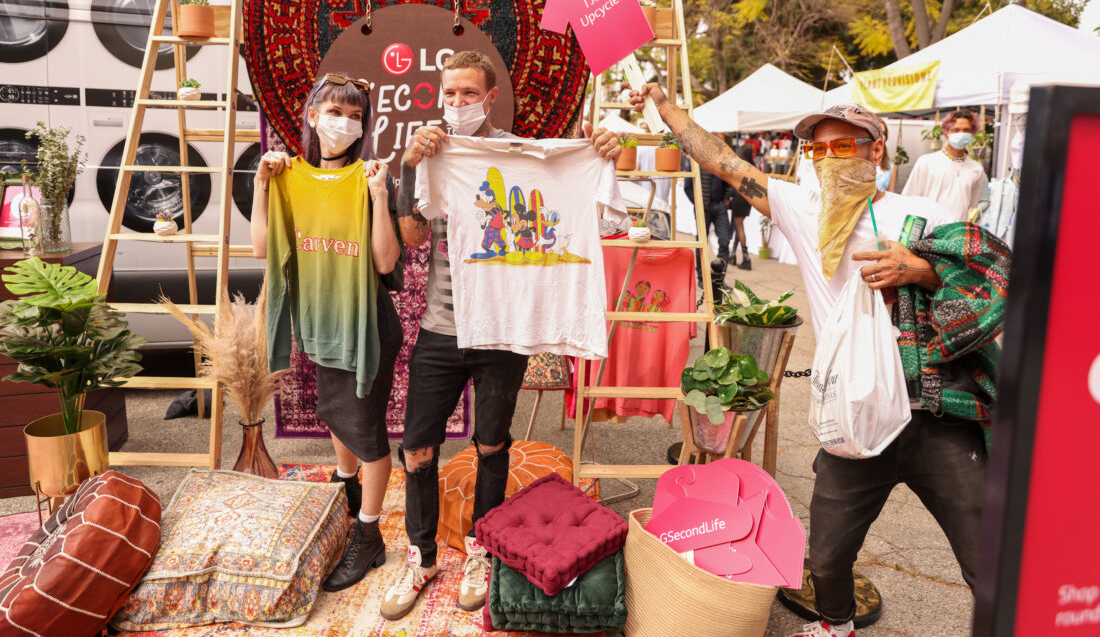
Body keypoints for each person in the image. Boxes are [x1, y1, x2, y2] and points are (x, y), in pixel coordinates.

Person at [627, 85, 1008, 637]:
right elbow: (724, 162)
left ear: (876, 150)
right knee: (827, 557)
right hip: (852, 418)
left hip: (933, 416)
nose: (828, 160)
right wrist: (665, 107)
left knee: (988, 561)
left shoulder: (919, 216)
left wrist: (919, 271)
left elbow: (986, 278)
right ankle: (835, 625)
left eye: (842, 147)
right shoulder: (805, 211)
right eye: (817, 151)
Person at [385, 50, 620, 620]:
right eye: (450, 94)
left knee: (492, 444)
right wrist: (411, 165)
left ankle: (481, 553)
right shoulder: (439, 155)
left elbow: (598, 213)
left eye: (469, 93)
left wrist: (604, 154)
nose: (458, 104)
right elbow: (413, 238)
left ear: (490, 97)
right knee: (417, 448)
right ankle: (421, 555)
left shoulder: (525, 156)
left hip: (502, 333)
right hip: (442, 329)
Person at [251, 72, 403, 592]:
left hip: (367, 325)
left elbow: (386, 261)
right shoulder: (289, 176)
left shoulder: (373, 177)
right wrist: (261, 184)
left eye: (355, 116)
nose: (345, 124)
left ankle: (369, 534)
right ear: (312, 117)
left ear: (364, 127)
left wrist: (381, 197)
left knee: (367, 431)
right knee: (334, 413)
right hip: (319, 319)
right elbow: (261, 249)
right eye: (335, 113)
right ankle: (348, 494)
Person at [901, 109, 987, 221]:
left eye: (966, 130)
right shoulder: (926, 162)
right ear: (946, 133)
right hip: (929, 231)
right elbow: (909, 199)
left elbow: (972, 205)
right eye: (955, 130)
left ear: (972, 133)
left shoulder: (976, 169)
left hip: (957, 233)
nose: (961, 134)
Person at [728, 142, 755, 269]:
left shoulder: (739, 168)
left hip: (738, 199)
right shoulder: (753, 168)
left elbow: (733, 186)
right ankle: (733, 255)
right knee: (739, 226)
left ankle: (745, 258)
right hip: (747, 200)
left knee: (739, 227)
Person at [875, 118, 897, 193]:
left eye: (883, 133)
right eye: (877, 132)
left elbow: (890, 193)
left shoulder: (891, 166)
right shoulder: (859, 162)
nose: (881, 136)